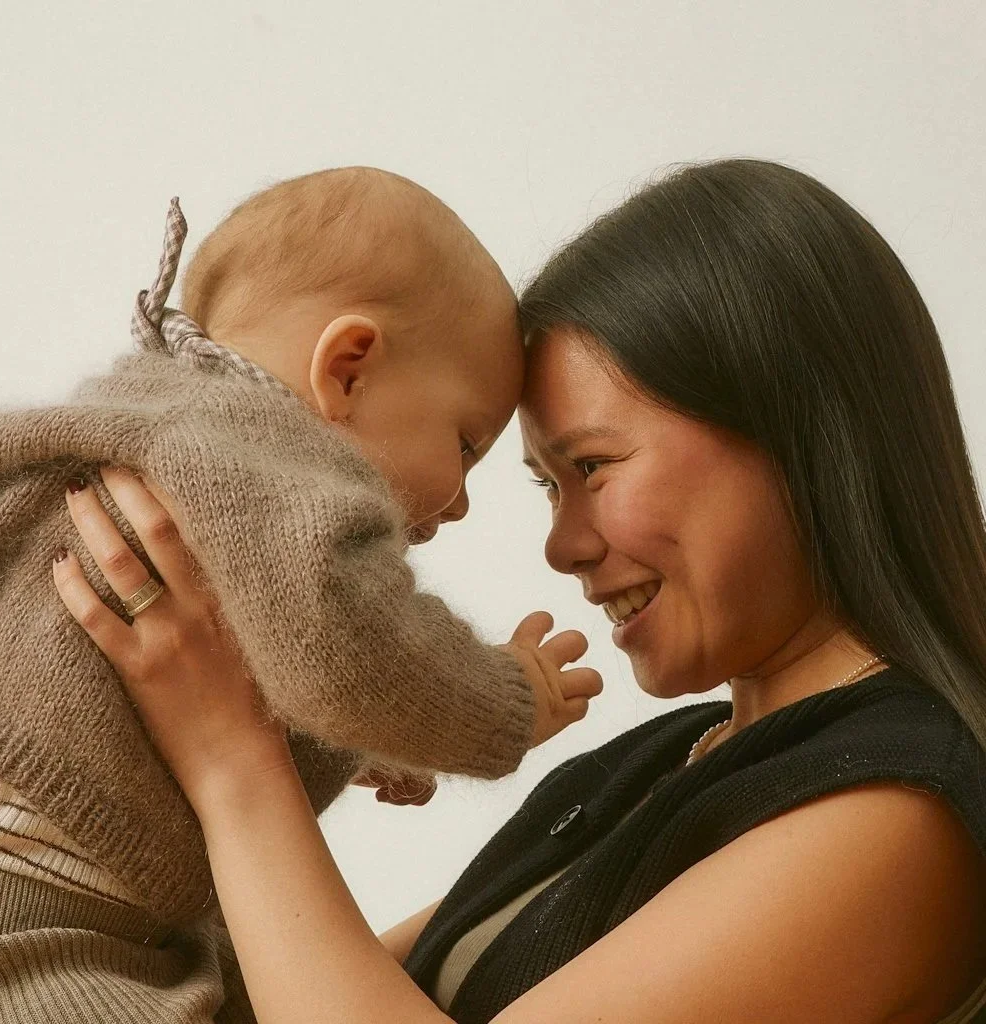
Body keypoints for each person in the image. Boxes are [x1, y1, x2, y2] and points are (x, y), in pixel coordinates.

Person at [53, 159, 986, 1023]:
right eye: (548, 484)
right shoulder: (657, 766)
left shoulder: (898, 811)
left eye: (593, 465)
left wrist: (228, 753)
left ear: (795, 435)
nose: (563, 545)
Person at [0, 167, 600, 1022]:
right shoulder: (265, 464)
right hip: (17, 958)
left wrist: (373, 739)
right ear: (348, 369)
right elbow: (346, 655)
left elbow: (262, 653)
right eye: (466, 444)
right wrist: (506, 700)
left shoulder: (150, 419)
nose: (458, 501)